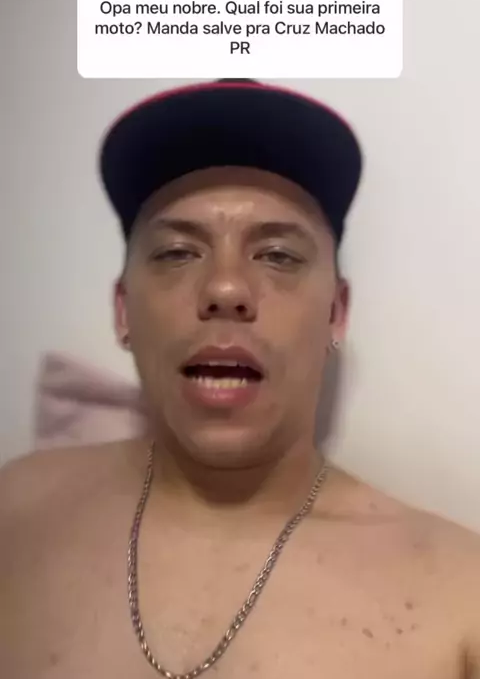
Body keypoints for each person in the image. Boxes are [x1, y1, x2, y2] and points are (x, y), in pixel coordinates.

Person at [0, 78, 479, 679]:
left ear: (336, 313)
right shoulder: (16, 513)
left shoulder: (461, 603)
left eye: (278, 255)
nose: (225, 288)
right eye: (177, 252)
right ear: (123, 312)